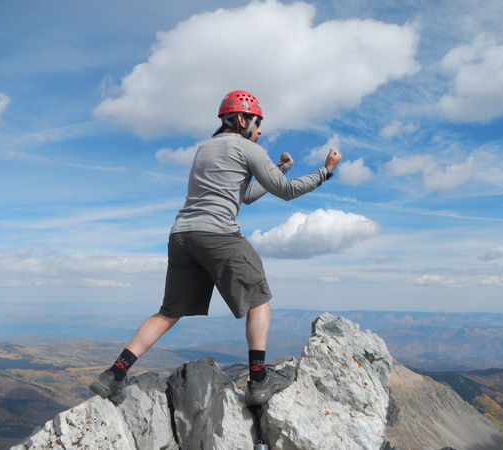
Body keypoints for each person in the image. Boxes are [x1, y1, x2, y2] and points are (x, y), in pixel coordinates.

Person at [90, 90, 342, 405]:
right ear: (241, 119)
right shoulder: (246, 147)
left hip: (182, 236)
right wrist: (326, 171)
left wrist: (279, 167)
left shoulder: (204, 149)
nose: (260, 131)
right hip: (218, 234)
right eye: (257, 123)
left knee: (169, 312)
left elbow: (245, 195)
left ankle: (114, 374)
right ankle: (260, 381)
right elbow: (287, 192)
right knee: (259, 300)